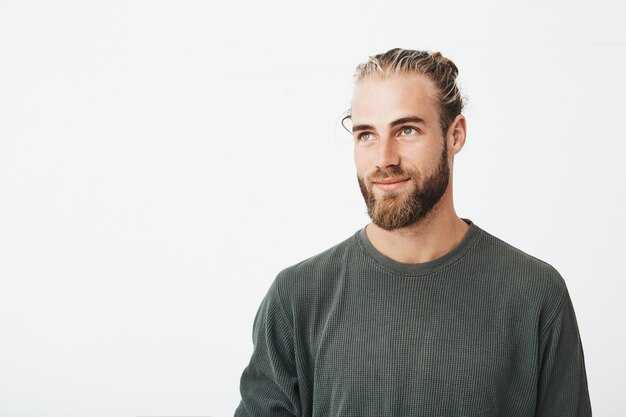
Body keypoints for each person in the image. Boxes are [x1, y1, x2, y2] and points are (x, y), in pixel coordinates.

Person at [234, 48, 592, 417]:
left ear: (455, 135)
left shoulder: (534, 294)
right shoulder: (297, 297)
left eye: (407, 130)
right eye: (366, 135)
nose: (384, 158)